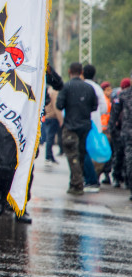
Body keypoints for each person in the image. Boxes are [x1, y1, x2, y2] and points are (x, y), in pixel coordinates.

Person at [56, 62, 98, 196]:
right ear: (81, 72)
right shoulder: (89, 88)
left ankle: (77, 184)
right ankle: (74, 183)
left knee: (72, 155)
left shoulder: (66, 86)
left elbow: (59, 105)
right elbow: (95, 106)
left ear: (69, 71)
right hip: (85, 126)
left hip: (71, 125)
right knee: (80, 155)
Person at [81, 64, 106, 191]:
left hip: (83, 123)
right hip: (95, 124)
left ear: (83, 73)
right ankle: (92, 177)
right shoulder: (97, 88)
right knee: (93, 151)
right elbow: (104, 107)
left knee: (83, 151)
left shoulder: (81, 86)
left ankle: (90, 179)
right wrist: (96, 114)